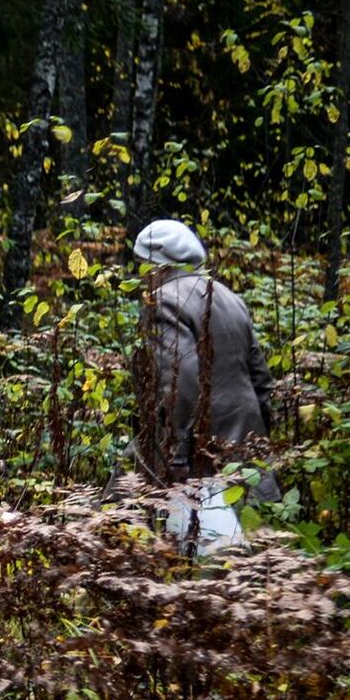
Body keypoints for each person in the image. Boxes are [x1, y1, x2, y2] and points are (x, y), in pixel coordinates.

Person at [129, 218, 278, 551]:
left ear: (154, 264)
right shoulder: (228, 297)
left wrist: (179, 455)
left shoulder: (164, 301)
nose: (141, 273)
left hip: (200, 453)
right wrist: (260, 438)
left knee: (204, 564)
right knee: (252, 562)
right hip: (246, 445)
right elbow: (261, 380)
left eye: (142, 264)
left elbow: (179, 382)